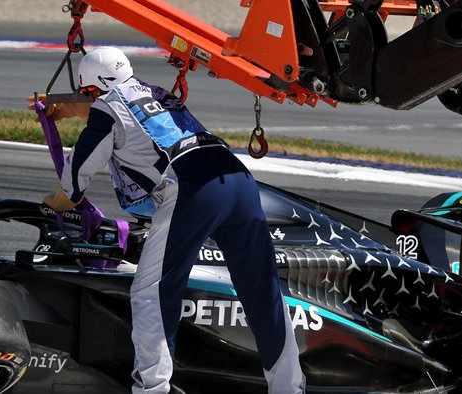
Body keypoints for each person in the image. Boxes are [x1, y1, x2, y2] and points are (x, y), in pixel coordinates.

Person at [41, 46, 304, 394]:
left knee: (152, 291)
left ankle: (152, 388)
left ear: (91, 88)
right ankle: (290, 387)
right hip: (238, 178)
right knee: (262, 290)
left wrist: (50, 204)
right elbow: (124, 110)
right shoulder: (154, 91)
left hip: (193, 188)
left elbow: (73, 185)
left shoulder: (104, 110)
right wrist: (69, 103)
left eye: (86, 92)